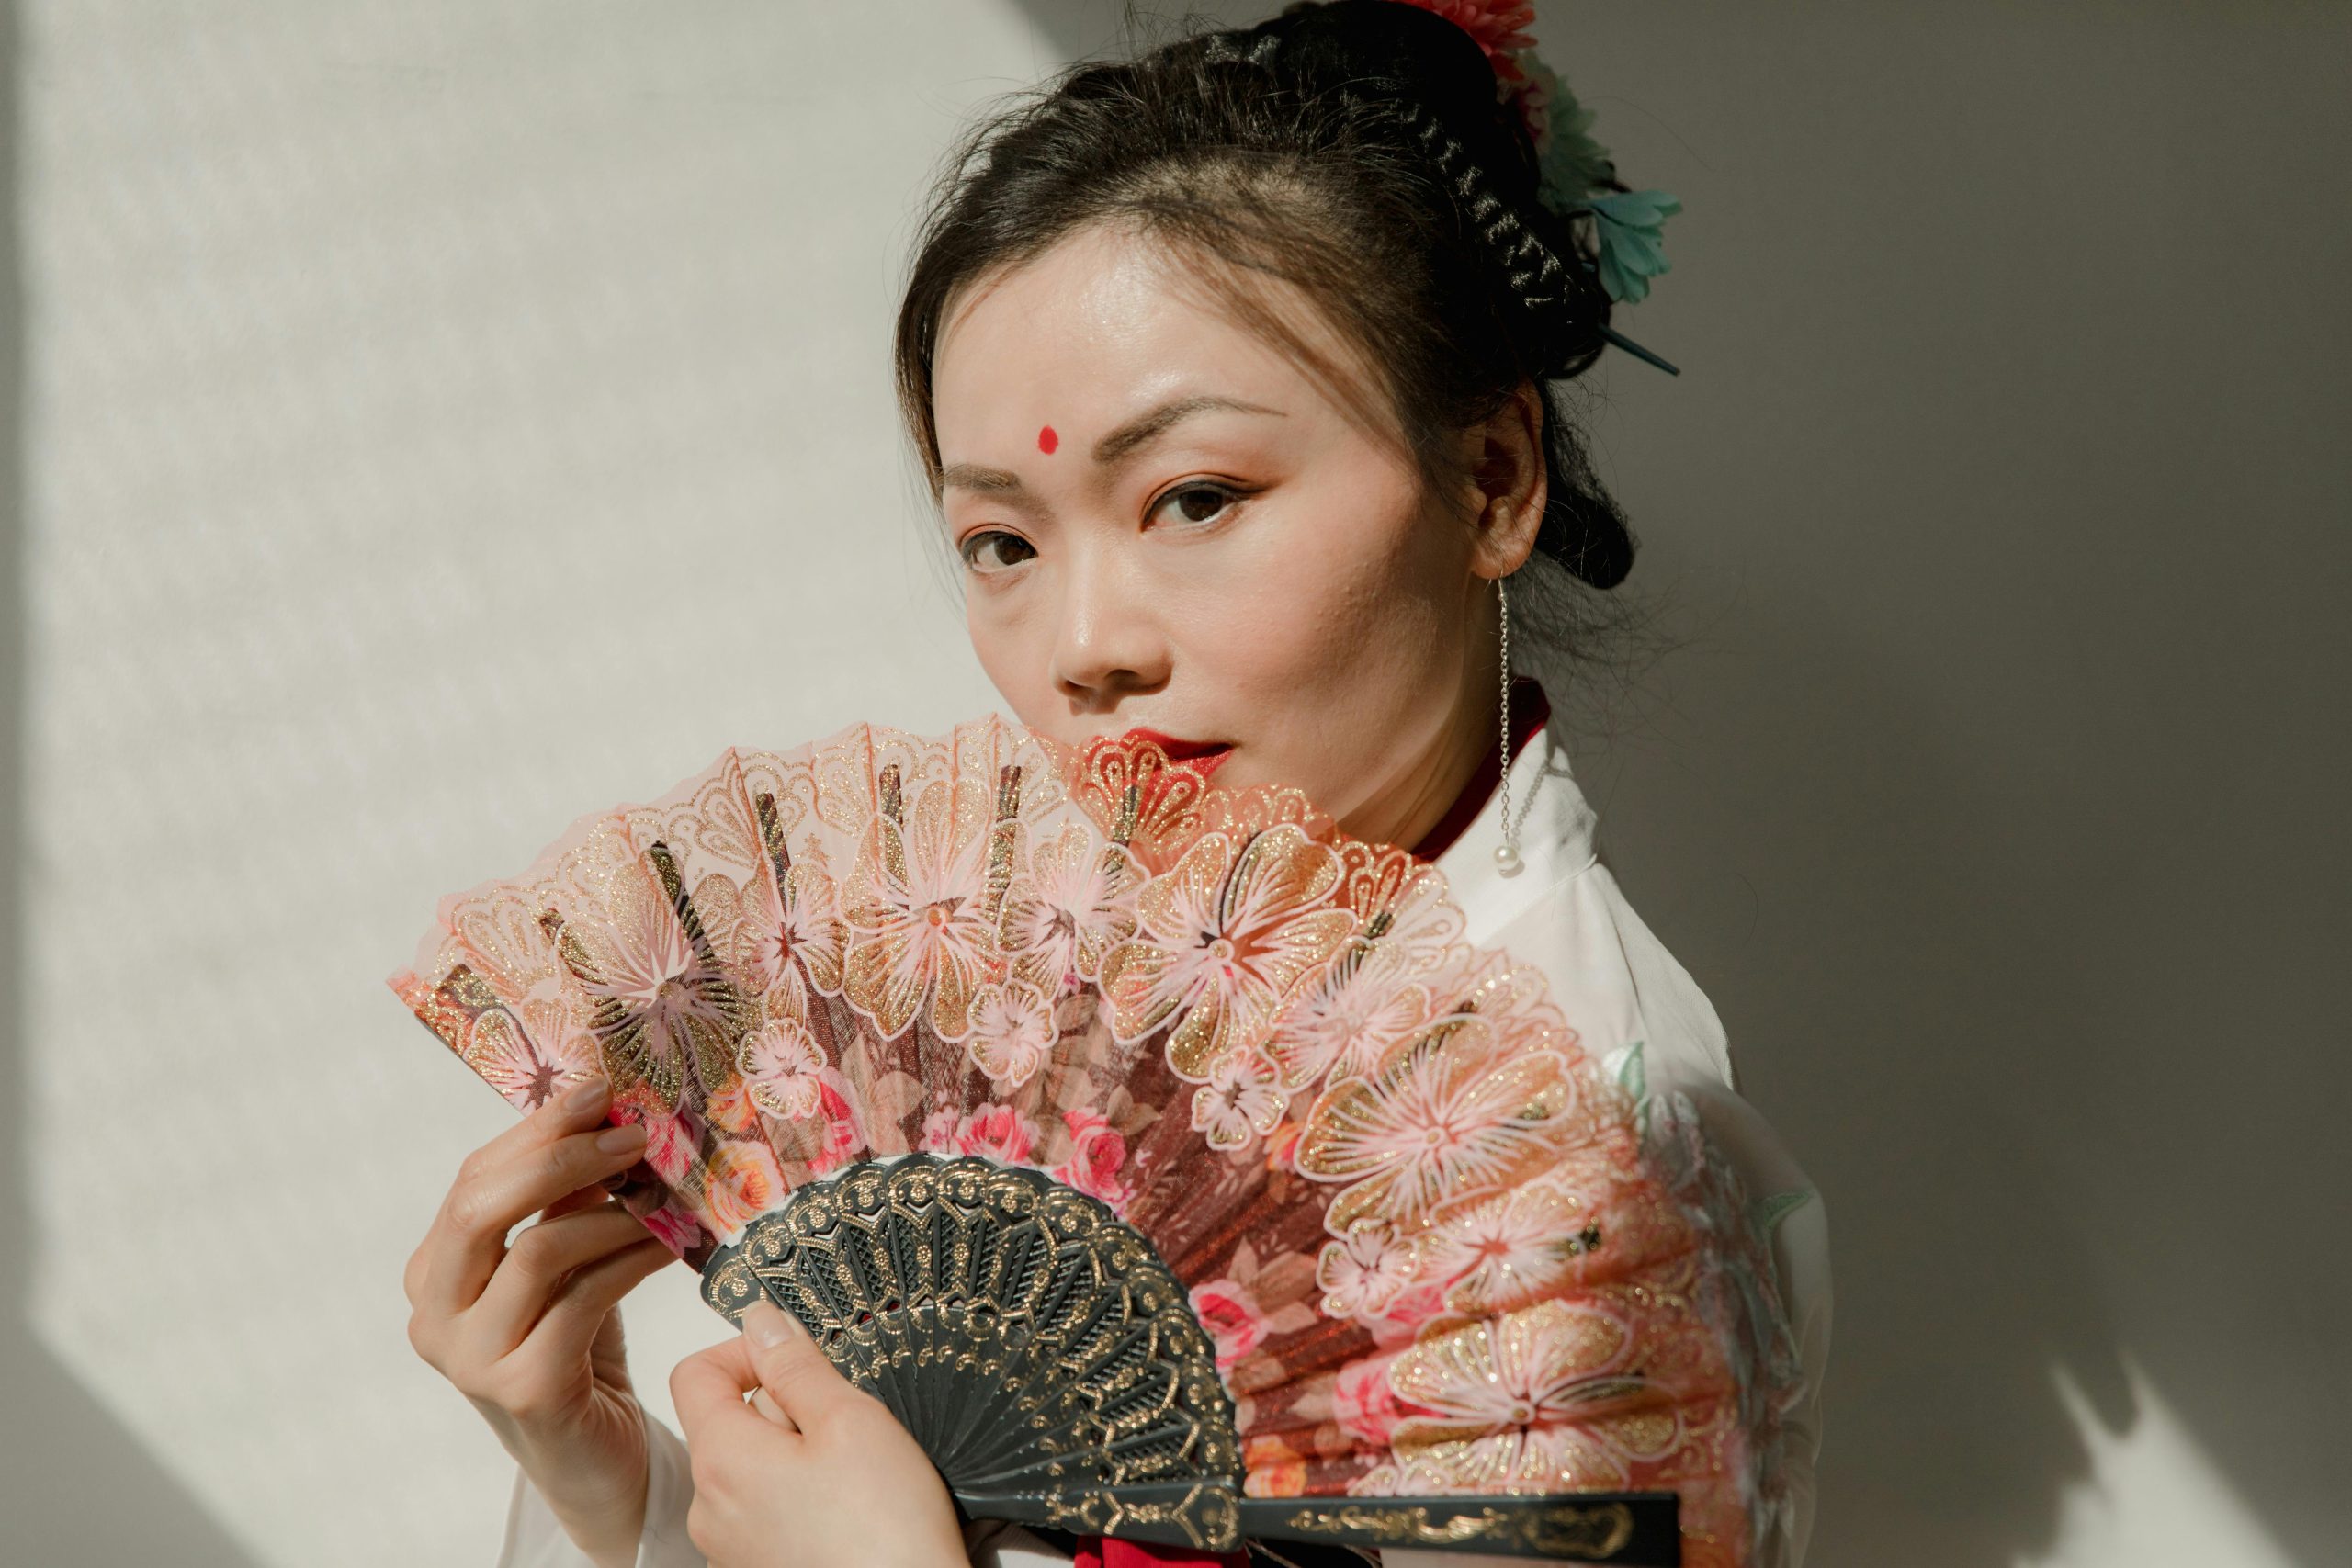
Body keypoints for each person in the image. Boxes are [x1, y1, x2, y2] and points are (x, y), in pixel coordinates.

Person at [400, 3, 1831, 1564]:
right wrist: (621, 1488)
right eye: (1003, 543)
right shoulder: (1172, 999)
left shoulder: (1593, 1153)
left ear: (1490, 479)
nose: (1082, 648)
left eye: (1195, 497)